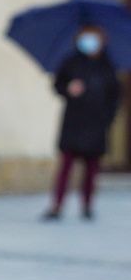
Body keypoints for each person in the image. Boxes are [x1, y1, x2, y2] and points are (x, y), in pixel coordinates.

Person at [43, 25, 119, 221]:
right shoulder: (71, 62)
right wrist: (69, 88)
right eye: (86, 38)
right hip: (74, 123)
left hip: (96, 124)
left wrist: (107, 119)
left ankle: (87, 206)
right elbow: (57, 85)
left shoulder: (107, 66)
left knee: (91, 168)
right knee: (66, 166)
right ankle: (57, 205)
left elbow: (115, 96)